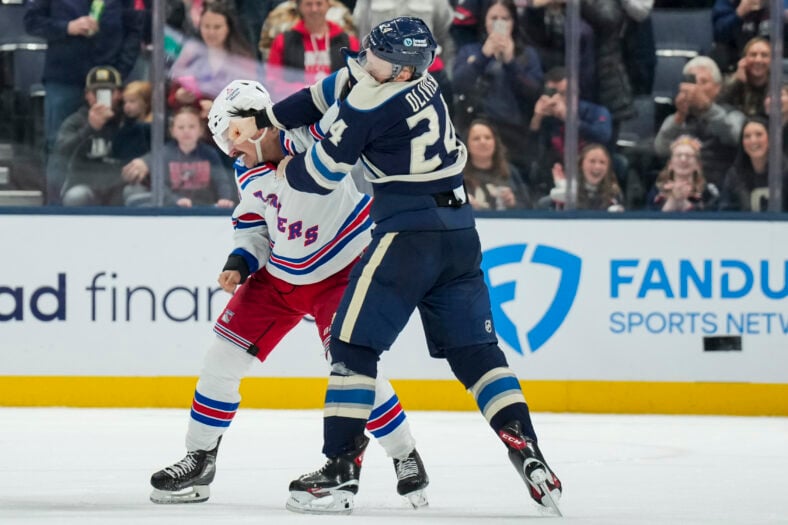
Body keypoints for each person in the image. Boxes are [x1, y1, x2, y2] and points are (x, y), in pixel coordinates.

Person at [228, 16, 562, 515]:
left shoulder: (369, 102)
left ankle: (340, 469)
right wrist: (272, 121)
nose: (366, 61)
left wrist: (282, 165)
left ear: (403, 70)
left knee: (349, 345)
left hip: (408, 235)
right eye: (369, 50)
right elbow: (324, 91)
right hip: (460, 235)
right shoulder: (422, 83)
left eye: (378, 58)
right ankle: (527, 449)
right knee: (476, 354)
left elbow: (318, 175)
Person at [149, 80, 430, 507]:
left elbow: (340, 102)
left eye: (231, 137)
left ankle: (404, 454)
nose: (229, 151)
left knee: (351, 370)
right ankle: (200, 457)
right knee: (221, 358)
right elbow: (255, 224)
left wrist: (362, 74)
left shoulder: (310, 136)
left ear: (252, 125)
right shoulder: (246, 167)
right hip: (279, 277)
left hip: (339, 271)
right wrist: (240, 261)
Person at [23, 0, 142, 203]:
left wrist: (119, 71)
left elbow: (134, 29)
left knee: (113, 142)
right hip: (64, 78)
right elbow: (32, 22)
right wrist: (68, 27)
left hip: (108, 80)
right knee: (57, 143)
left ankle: (116, 203)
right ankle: (54, 208)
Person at [452, 0, 543, 175]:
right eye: (494, 18)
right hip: (476, 130)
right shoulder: (470, 51)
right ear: (485, 21)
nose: (499, 23)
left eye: (505, 18)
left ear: (514, 22)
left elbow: (533, 92)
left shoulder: (526, 55)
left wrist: (510, 62)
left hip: (515, 136)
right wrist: (483, 56)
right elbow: (458, 84)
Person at [654, 55, 745, 187]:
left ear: (717, 87)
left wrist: (707, 108)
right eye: (693, 82)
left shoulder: (732, 114)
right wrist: (679, 116)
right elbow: (661, 149)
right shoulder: (678, 117)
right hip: (680, 185)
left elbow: (734, 137)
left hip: (719, 185)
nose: (696, 88)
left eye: (703, 82)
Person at [525, 66, 614, 199]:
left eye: (564, 93)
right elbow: (532, 151)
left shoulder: (594, 111)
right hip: (554, 172)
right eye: (552, 92)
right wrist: (537, 119)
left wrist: (569, 119)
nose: (559, 98)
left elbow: (603, 136)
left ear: (576, 92)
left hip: (590, 170)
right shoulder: (547, 117)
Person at [121, 106, 235, 207]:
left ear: (201, 130)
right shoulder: (164, 154)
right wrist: (175, 200)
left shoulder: (210, 153)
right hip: (172, 210)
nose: (186, 131)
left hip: (205, 208)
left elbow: (221, 180)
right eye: (181, 127)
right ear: (172, 131)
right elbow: (160, 184)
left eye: (191, 127)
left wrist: (224, 199)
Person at [50, 65, 128, 206]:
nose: (102, 96)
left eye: (108, 91)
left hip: (119, 187)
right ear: (87, 95)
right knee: (76, 197)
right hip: (84, 185)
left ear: (119, 94)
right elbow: (61, 152)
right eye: (96, 91)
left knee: (133, 193)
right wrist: (89, 128)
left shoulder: (128, 121)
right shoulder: (75, 121)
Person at [168, 0, 256, 119]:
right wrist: (179, 96)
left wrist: (218, 108)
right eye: (206, 26)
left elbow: (249, 101)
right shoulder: (190, 55)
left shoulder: (242, 60)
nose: (211, 32)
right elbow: (171, 97)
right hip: (194, 127)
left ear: (228, 28)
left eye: (217, 27)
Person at [720, 116, 788, 211]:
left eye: (759, 135)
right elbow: (725, 212)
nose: (753, 141)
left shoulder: (785, 172)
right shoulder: (734, 175)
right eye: (747, 136)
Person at [464, 118, 532, 210]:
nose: (483, 142)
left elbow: (528, 206)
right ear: (467, 146)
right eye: (476, 139)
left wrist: (513, 203)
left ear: (495, 143)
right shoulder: (458, 176)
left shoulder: (510, 172)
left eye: (488, 137)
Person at [538, 143, 625, 211]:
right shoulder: (567, 191)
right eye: (592, 161)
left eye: (602, 162)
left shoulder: (615, 195)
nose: (597, 167)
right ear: (581, 165)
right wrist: (564, 199)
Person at [646, 135, 719, 212]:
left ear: (697, 165)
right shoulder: (657, 190)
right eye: (678, 155)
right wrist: (673, 200)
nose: (683, 159)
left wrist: (683, 202)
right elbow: (650, 220)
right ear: (670, 164)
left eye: (688, 156)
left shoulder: (708, 192)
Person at [718, 36, 771, 118]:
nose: (758, 60)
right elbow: (719, 108)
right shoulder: (728, 83)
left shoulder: (780, 87)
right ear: (744, 60)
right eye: (753, 55)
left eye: (764, 55)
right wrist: (738, 82)